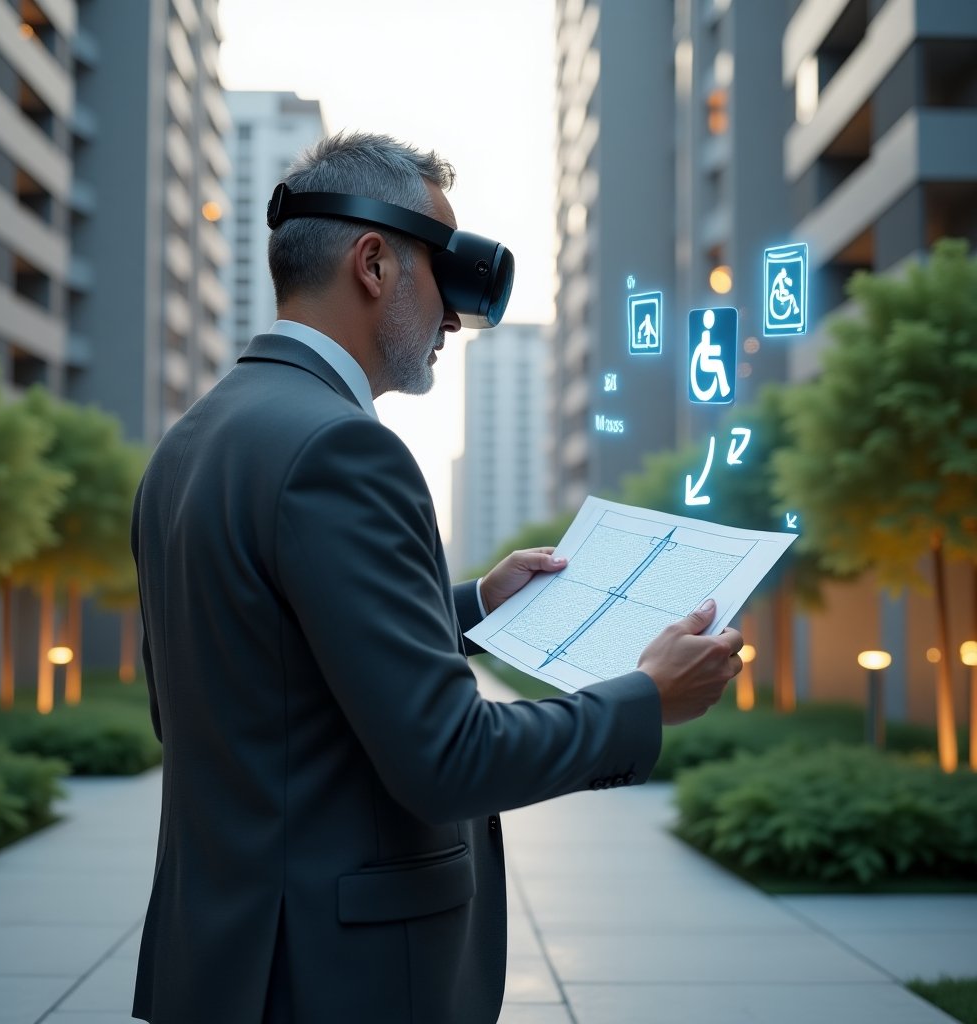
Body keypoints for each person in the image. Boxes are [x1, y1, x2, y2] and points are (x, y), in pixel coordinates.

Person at [130, 131, 742, 1024]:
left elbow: (238, 678)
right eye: (442, 269)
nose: (456, 317)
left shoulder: (189, 445)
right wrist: (644, 699)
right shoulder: (342, 449)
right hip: (339, 979)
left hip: (225, 962)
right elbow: (449, 761)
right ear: (374, 264)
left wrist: (469, 607)